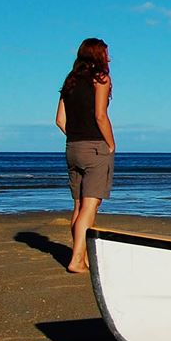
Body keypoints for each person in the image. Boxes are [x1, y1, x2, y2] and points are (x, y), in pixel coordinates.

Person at [55, 38, 115, 273]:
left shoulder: (70, 80)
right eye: (106, 53)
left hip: (73, 148)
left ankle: (80, 255)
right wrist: (111, 144)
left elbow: (60, 120)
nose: (109, 58)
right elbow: (100, 115)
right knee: (90, 207)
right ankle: (76, 260)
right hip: (94, 148)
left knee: (79, 207)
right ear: (98, 55)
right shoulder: (100, 78)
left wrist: (77, 135)